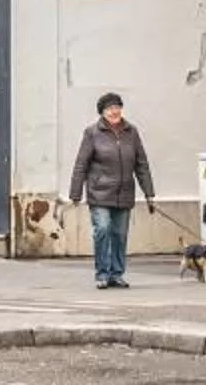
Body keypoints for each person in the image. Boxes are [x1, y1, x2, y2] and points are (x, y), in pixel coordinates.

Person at [66, 91, 154, 290]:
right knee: (103, 229)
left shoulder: (132, 132)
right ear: (102, 112)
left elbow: (142, 164)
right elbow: (81, 164)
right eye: (109, 109)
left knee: (120, 234)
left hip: (124, 192)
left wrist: (149, 194)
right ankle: (102, 274)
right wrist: (75, 193)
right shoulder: (92, 133)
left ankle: (117, 274)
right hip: (100, 192)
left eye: (117, 107)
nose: (114, 112)